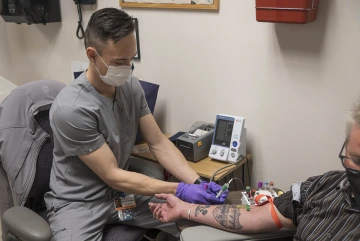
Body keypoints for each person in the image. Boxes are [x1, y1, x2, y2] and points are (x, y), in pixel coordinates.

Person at [44, 8, 228, 241]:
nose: (127, 69)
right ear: (92, 55)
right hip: (79, 206)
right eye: (120, 61)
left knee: (194, 217)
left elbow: (158, 142)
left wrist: (197, 183)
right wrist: (178, 188)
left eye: (131, 59)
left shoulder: (130, 86)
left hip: (120, 197)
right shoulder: (72, 108)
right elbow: (112, 174)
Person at [149, 101, 360, 240]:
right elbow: (259, 216)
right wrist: (185, 208)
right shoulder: (323, 186)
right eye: (357, 159)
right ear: (345, 149)